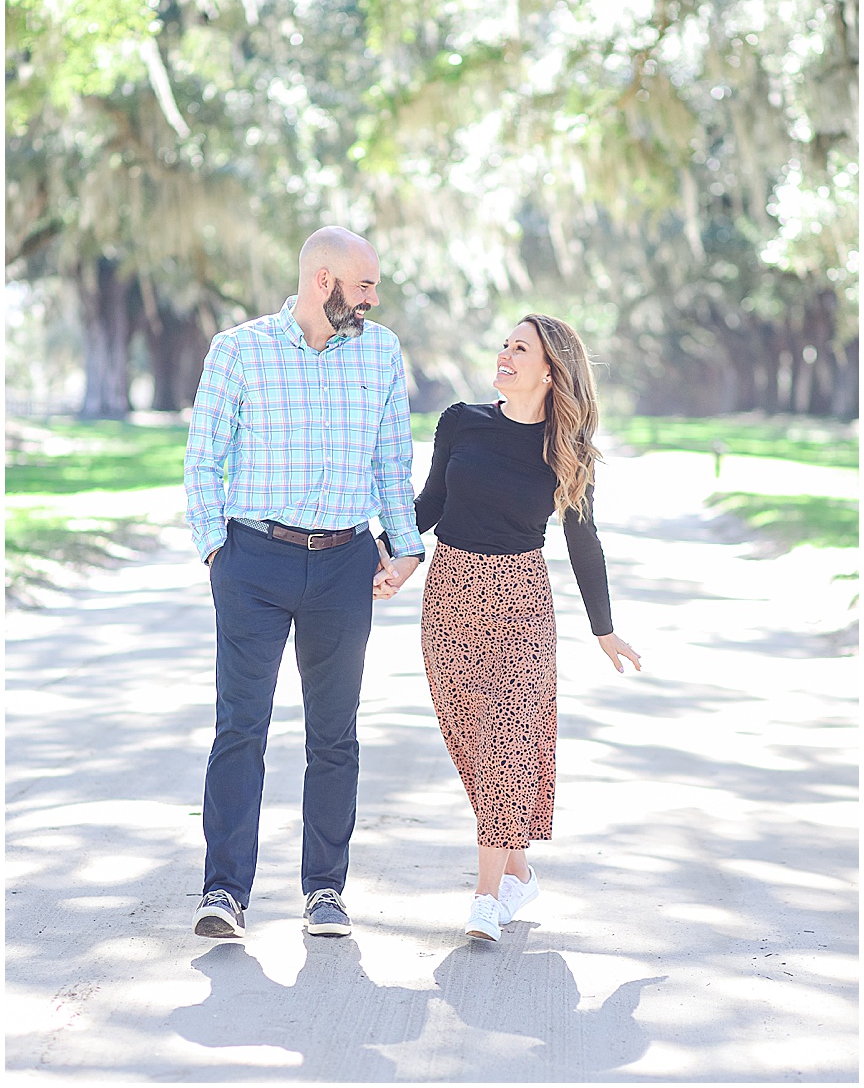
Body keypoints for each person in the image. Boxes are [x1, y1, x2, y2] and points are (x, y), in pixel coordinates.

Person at [184, 226, 424, 941]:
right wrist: (215, 554)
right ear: (324, 281)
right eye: (365, 284)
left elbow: (392, 460)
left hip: (345, 564)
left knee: (335, 735)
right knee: (240, 729)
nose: (374, 298)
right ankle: (224, 890)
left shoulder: (379, 352)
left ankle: (326, 889)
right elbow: (204, 459)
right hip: (253, 561)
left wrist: (405, 548)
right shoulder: (240, 349)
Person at [376, 314, 641, 942]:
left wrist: (603, 628)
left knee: (507, 747)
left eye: (521, 348)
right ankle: (517, 872)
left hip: (520, 602)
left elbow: (584, 542)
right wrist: (390, 556)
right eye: (504, 344)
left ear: (550, 371)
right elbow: (430, 505)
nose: (505, 354)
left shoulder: (565, 450)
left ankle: (486, 897)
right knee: (471, 748)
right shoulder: (461, 421)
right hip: (451, 592)